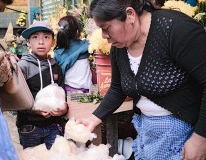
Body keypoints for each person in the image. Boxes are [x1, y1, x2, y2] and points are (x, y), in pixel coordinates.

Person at [77, 0, 206, 159]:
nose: (104, 36)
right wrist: (93, 118)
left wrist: (200, 138)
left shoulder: (175, 30)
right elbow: (117, 89)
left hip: (187, 133)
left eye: (106, 28)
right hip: (148, 132)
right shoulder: (120, 48)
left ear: (130, 15)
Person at [17, 20, 68, 149]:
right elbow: (15, 98)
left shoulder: (55, 66)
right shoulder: (23, 66)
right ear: (28, 42)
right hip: (29, 127)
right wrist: (33, 109)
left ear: (53, 42)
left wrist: (64, 108)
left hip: (53, 125)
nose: (41, 42)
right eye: (35, 37)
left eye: (46, 37)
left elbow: (62, 92)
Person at [54, 15, 92, 93]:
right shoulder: (86, 45)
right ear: (77, 31)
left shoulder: (57, 53)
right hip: (88, 92)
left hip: (68, 92)